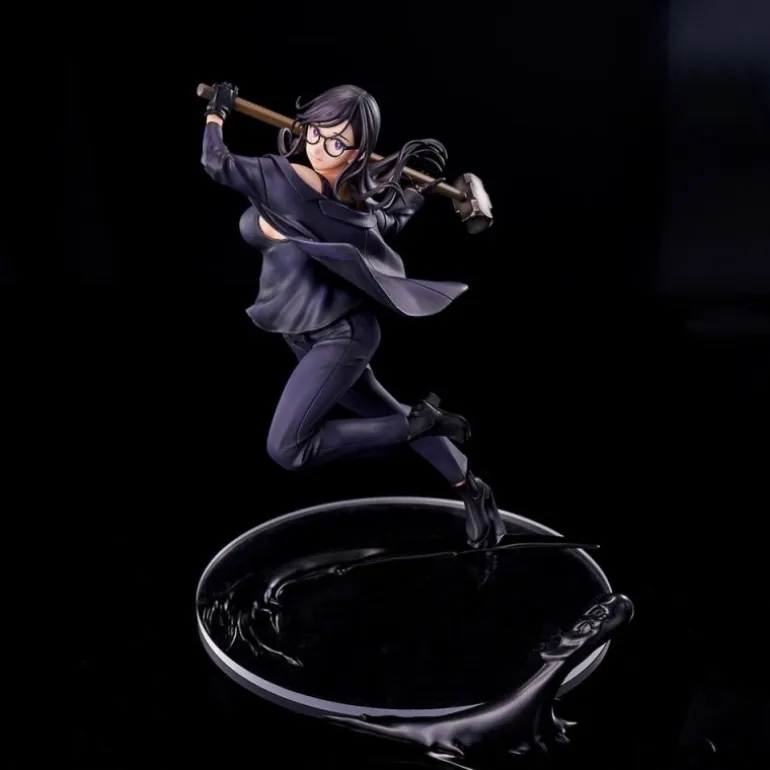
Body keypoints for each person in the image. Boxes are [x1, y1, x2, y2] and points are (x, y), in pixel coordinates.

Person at [201, 81, 504, 548]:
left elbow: (215, 161)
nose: (320, 147)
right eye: (317, 132)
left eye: (338, 142)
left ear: (360, 152)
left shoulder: (279, 179)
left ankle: (422, 422)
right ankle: (471, 488)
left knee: (287, 448)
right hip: (306, 332)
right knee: (387, 414)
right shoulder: (352, 208)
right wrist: (412, 194)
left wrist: (217, 113)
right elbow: (389, 220)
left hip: (340, 337)